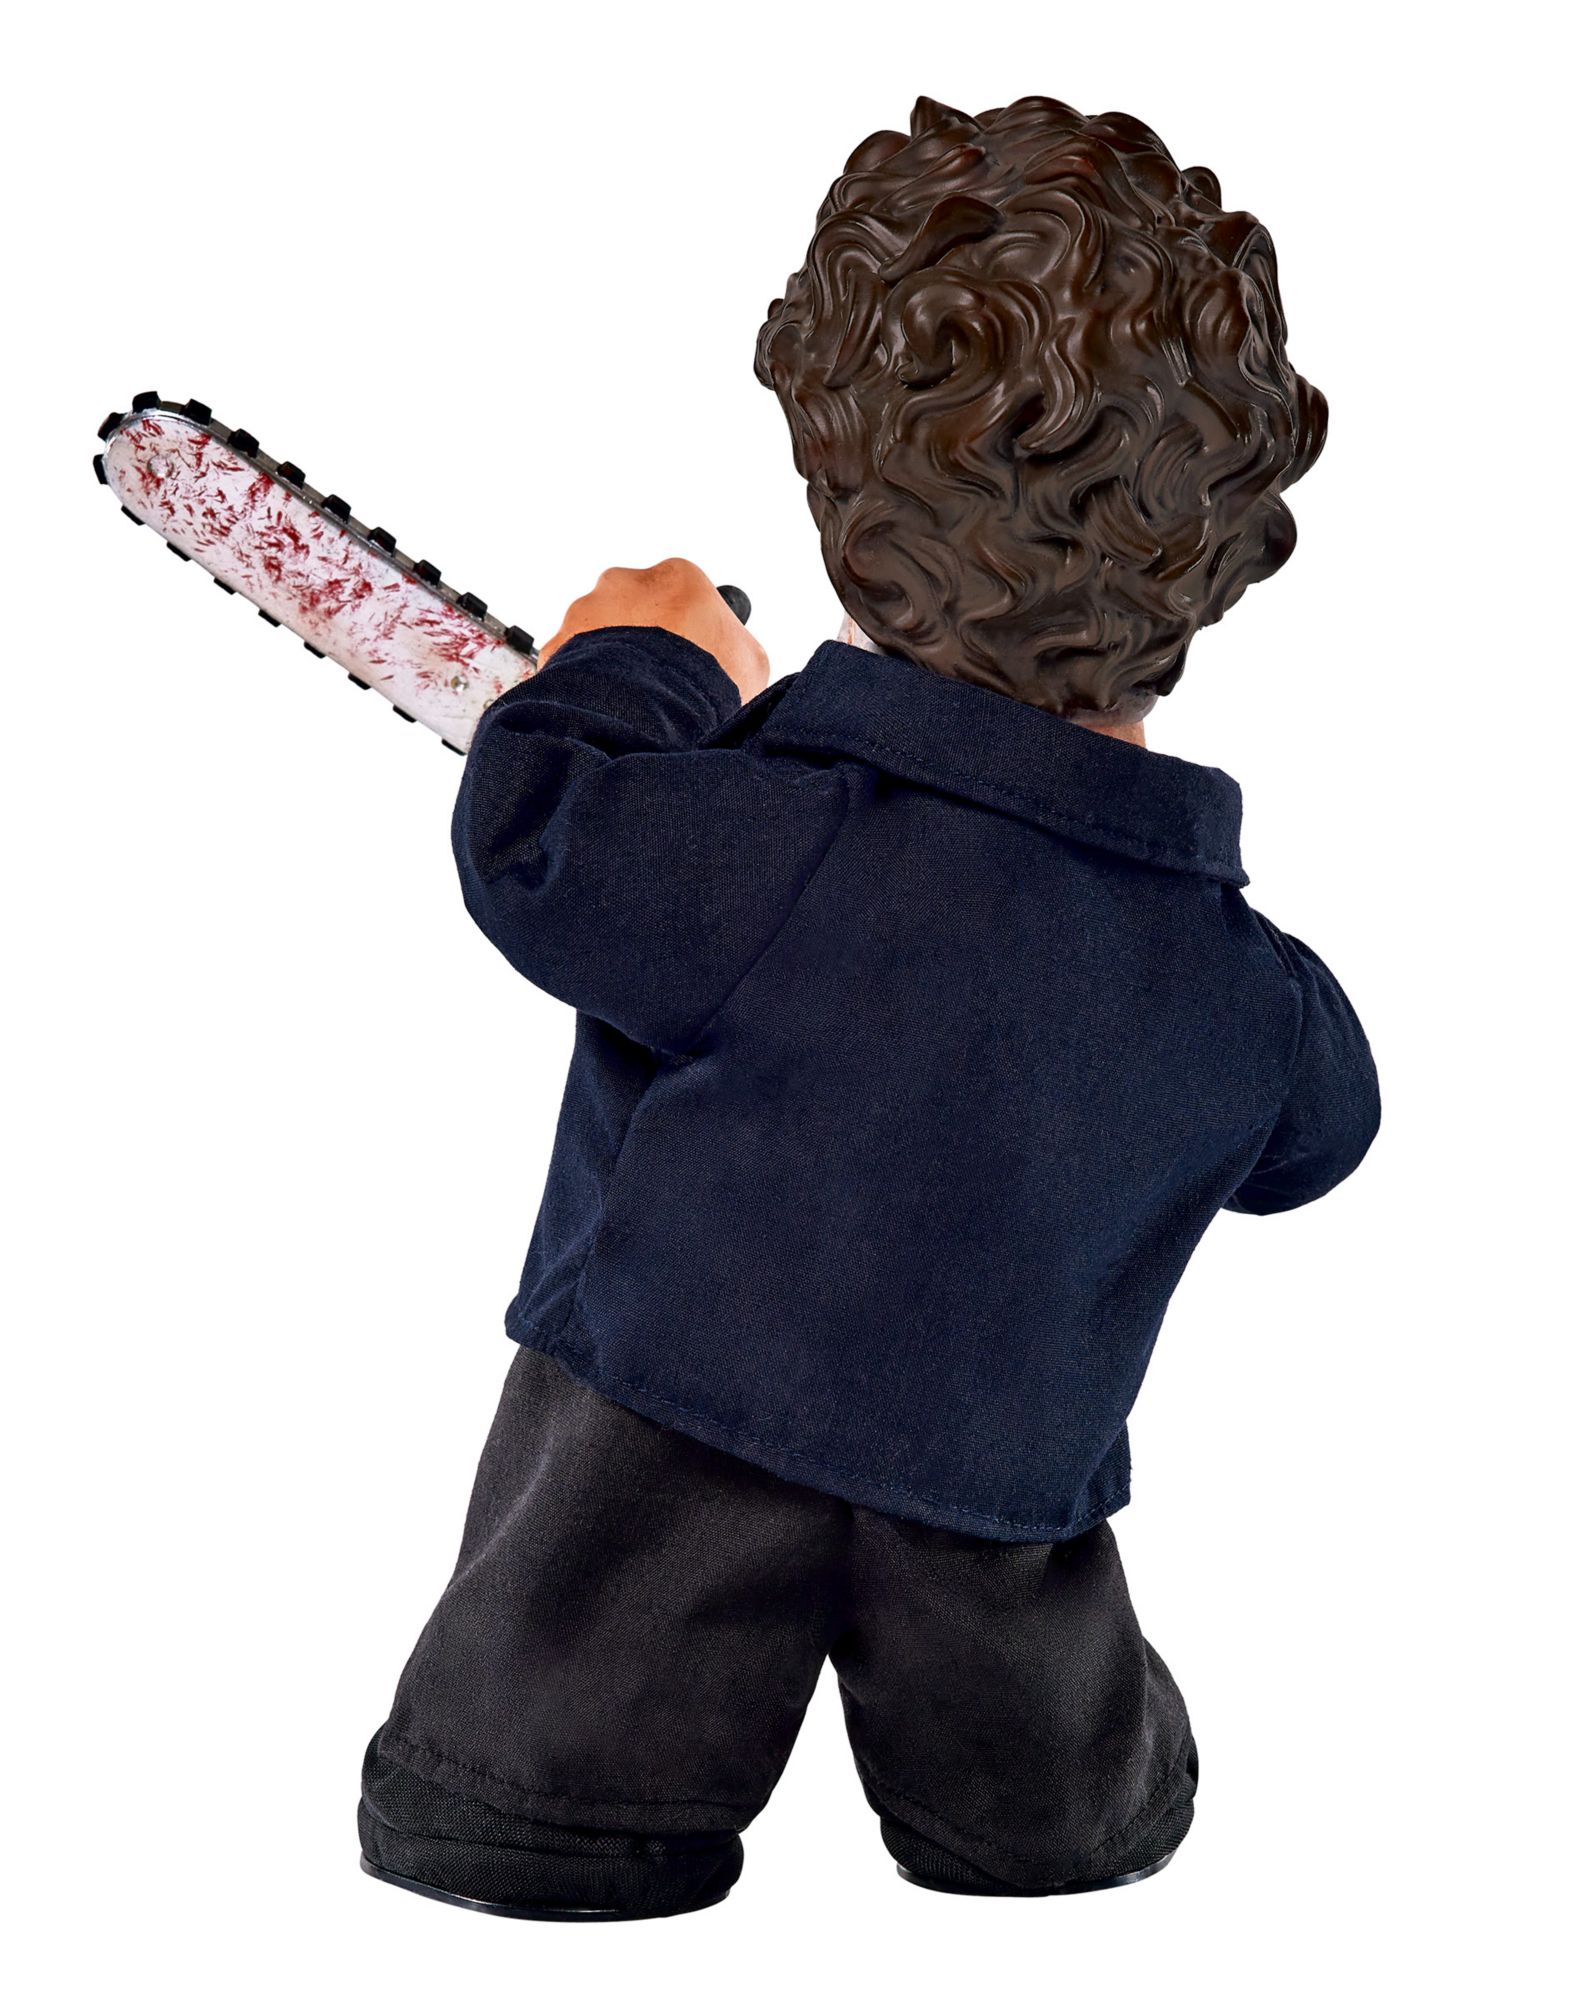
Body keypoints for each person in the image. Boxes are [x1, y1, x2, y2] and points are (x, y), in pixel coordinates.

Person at [359, 95, 1380, 1921]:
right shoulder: (1227, 980)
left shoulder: (774, 839)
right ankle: (1047, 1819)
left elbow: (537, 846)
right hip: (999, 1470)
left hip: (678, 1416)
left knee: (565, 1720)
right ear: (1220, 543)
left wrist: (638, 664)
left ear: (846, 494)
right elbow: (1321, 1130)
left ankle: (546, 1809)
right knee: (1035, 1748)